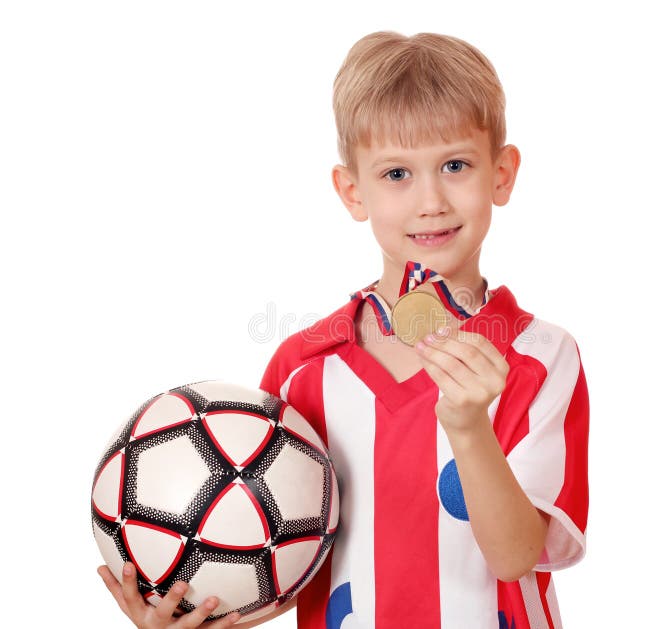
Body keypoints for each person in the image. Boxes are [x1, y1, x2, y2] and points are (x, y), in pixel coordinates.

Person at [99, 30, 589, 629]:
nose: (431, 200)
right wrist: (190, 614)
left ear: (502, 174)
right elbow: (281, 563)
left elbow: (515, 558)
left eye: (455, 165)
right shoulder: (303, 368)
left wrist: (468, 427)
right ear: (352, 191)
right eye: (396, 173)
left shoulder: (540, 356)